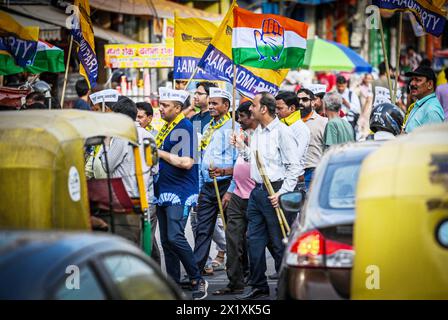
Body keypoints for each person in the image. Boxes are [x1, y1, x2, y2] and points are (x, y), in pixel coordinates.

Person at [232, 92, 301, 300]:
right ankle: (259, 285)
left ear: (263, 109)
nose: (250, 109)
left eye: (253, 105)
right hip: (258, 192)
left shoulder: (283, 132)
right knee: (253, 240)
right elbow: (254, 160)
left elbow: (294, 167)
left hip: (276, 192)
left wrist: (282, 193)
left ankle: (286, 287)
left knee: (279, 244)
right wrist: (241, 147)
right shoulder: (258, 132)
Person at [154, 87, 207, 300]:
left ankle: (197, 278)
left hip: (180, 191)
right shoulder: (166, 128)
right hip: (163, 190)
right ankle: (173, 284)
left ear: (177, 108)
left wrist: (156, 152)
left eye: (165, 105)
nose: (160, 108)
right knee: (167, 241)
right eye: (160, 104)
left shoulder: (185, 128)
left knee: (175, 237)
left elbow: (186, 163)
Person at [193, 87, 238, 290]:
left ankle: (236, 278)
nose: (210, 106)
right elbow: (203, 158)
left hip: (227, 185)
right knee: (203, 230)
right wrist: (201, 186)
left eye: (215, 103)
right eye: (209, 103)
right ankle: (195, 274)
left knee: (232, 233)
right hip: (208, 187)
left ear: (226, 106)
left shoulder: (234, 128)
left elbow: (241, 163)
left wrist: (230, 187)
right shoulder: (209, 126)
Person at [212, 101, 257, 296]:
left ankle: (261, 281)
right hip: (239, 194)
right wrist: (227, 180)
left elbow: (256, 163)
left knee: (262, 241)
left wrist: (243, 145)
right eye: (237, 117)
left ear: (253, 116)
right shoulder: (241, 134)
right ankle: (235, 282)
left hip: (257, 194)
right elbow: (239, 166)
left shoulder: (263, 136)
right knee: (233, 239)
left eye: (242, 117)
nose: (239, 120)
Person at [275, 91, 310, 195]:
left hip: (291, 182)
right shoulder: (280, 125)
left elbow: (295, 159)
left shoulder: (300, 129)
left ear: (292, 108)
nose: (276, 112)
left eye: (280, 108)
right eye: (276, 108)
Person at [296, 88, 328, 190]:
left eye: (304, 99)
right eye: (298, 100)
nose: (300, 102)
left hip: (313, 172)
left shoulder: (323, 122)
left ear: (313, 102)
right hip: (293, 175)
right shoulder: (292, 123)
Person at [403, 66, 445, 133]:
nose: (412, 83)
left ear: (430, 84)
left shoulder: (431, 111)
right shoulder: (420, 103)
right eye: (412, 79)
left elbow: (432, 141)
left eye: (418, 80)